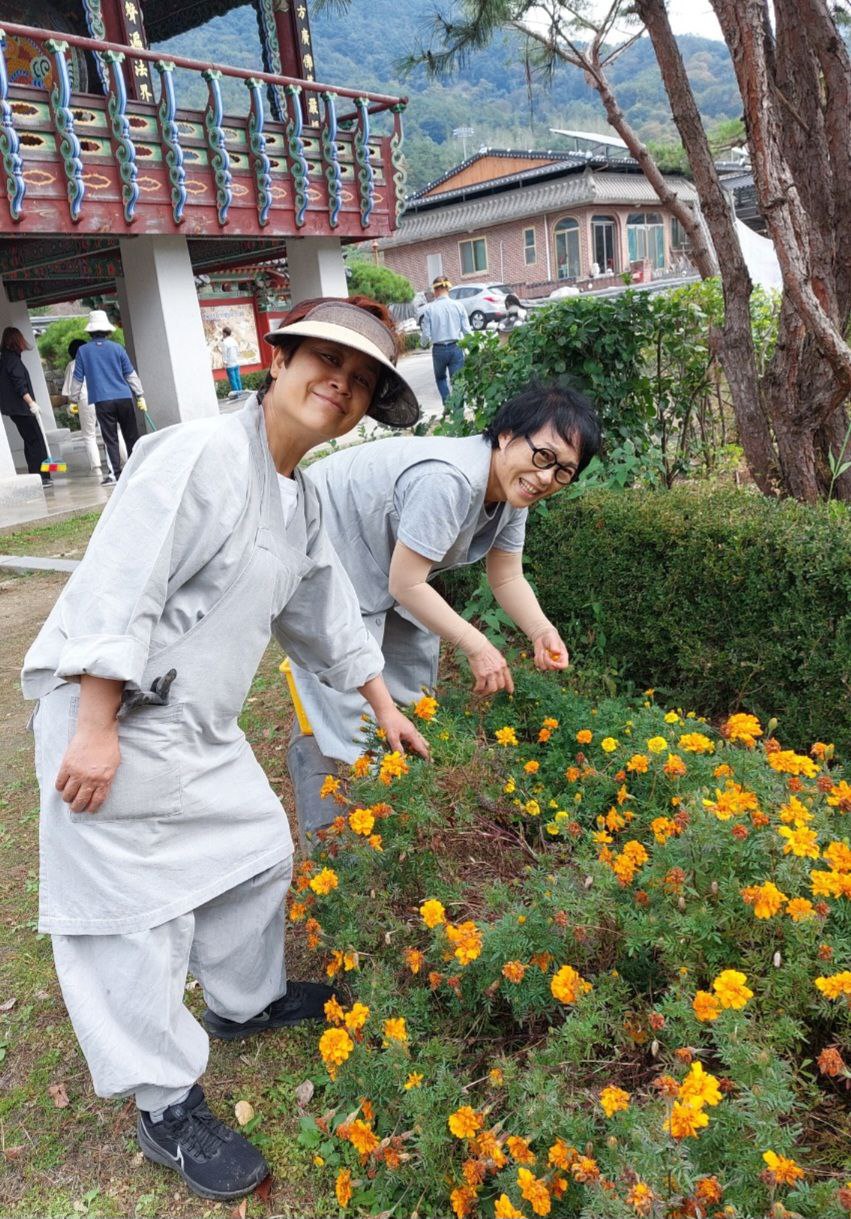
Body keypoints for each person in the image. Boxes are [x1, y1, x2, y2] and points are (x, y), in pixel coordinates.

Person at [22, 296, 428, 1203]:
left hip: (197, 731)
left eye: (361, 379)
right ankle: (165, 1103)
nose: (341, 383)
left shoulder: (300, 497)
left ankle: (246, 1001)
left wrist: (381, 703)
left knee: (258, 852)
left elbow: (325, 616)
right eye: (327, 359)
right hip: (113, 717)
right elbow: (121, 582)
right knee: (131, 923)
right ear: (277, 361)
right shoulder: (197, 452)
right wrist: (92, 728)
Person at [288, 381, 602, 844]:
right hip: (325, 536)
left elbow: (507, 576)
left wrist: (541, 630)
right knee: (348, 687)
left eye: (563, 471)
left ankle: (397, 790)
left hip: (380, 558)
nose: (546, 478)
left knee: (412, 670)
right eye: (543, 456)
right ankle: (343, 829)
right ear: (506, 436)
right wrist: (477, 645)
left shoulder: (512, 491)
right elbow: (407, 583)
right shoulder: (448, 479)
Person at [68, 310, 147, 485]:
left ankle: (115, 475)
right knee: (131, 435)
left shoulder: (83, 351)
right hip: (124, 398)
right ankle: (137, 469)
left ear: (90, 331)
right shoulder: (117, 348)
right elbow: (130, 374)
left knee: (110, 438)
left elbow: (78, 378)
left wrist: (73, 400)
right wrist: (140, 395)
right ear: (107, 330)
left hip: (103, 400)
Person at [0, 326, 52, 487]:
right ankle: (42, 476)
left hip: (15, 410)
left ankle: (37, 474)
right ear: (17, 341)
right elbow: (19, 385)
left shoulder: (5, 359)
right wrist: (32, 403)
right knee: (36, 441)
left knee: (31, 441)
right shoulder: (13, 360)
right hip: (22, 409)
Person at [419, 275, 470, 404]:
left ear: (435, 290)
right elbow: (467, 331)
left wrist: (423, 344)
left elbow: (426, 335)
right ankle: (458, 412)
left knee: (441, 379)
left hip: (439, 349)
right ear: (448, 288)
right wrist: (471, 347)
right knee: (458, 382)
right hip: (456, 347)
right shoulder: (458, 306)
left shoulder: (429, 309)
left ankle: (447, 405)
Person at [61, 338, 102, 477]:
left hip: (85, 400)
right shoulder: (95, 360)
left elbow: (69, 391)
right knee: (111, 430)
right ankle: (124, 459)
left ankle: (96, 466)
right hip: (102, 396)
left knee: (89, 435)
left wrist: (71, 403)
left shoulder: (72, 365)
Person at [220, 326, 242, 393]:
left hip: (229, 364)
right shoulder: (234, 341)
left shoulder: (225, 342)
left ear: (225, 333)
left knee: (232, 380)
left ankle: (236, 393)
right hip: (236, 362)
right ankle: (241, 392)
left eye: (222, 333)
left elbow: (224, 354)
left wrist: (224, 362)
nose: (222, 334)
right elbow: (238, 352)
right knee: (237, 378)